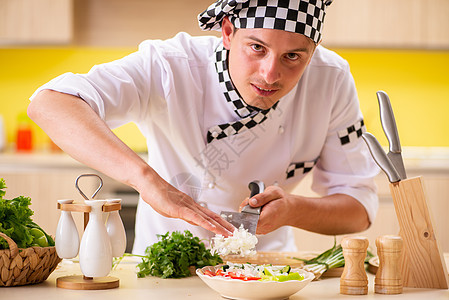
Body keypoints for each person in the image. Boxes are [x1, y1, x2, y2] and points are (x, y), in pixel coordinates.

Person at [28, 0, 379, 254]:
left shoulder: (330, 80)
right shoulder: (169, 65)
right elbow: (49, 104)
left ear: (313, 52)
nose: (270, 75)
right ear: (227, 31)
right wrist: (147, 181)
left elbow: (359, 208)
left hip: (267, 271)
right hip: (164, 269)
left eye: (293, 57)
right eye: (257, 48)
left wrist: (294, 210)